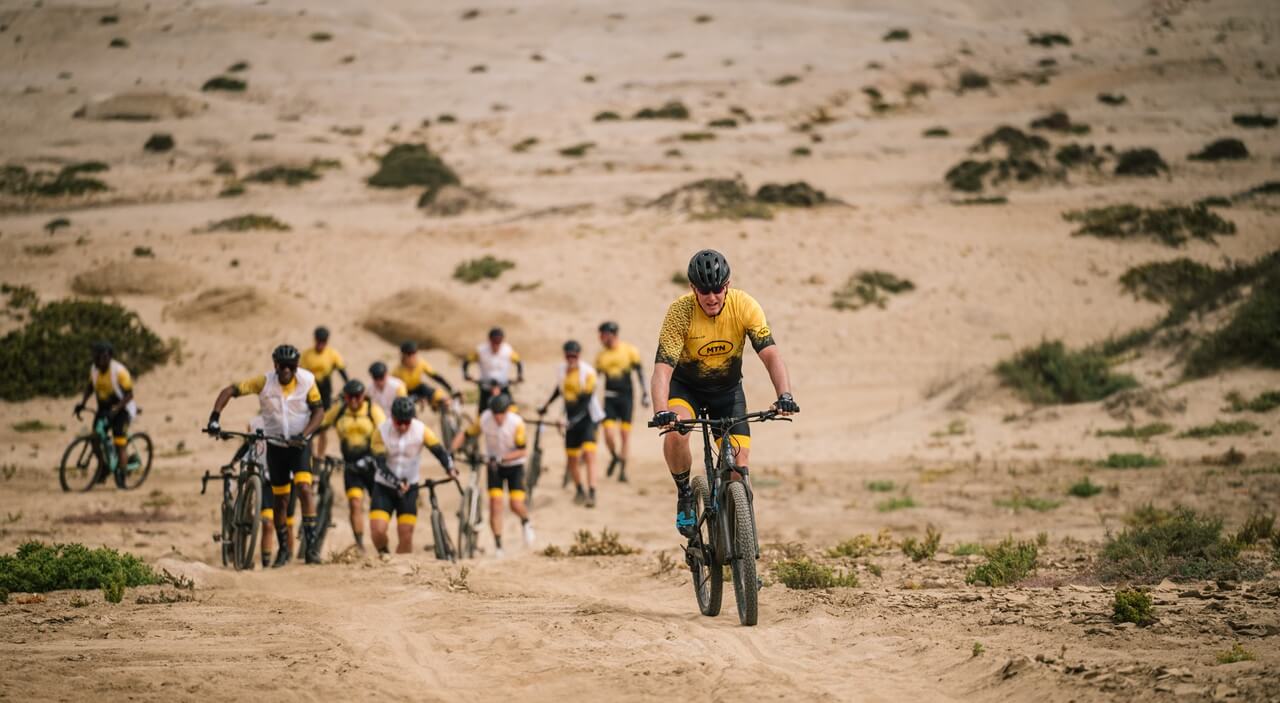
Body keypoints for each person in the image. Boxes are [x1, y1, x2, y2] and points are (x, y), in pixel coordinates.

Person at [650, 250, 799, 536]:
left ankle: (741, 542)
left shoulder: (745, 306)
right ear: (693, 288)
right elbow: (662, 370)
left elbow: (770, 355)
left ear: (727, 284)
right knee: (677, 432)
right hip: (687, 390)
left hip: (727, 392)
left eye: (717, 289)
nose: (711, 297)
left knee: (739, 467)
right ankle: (684, 494)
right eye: (704, 290)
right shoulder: (680, 312)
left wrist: (785, 395)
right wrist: (660, 411)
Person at [207, 344, 325, 566]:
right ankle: (283, 551)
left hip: (299, 445)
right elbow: (230, 390)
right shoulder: (263, 382)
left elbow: (319, 411)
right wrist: (214, 417)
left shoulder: (307, 381)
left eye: (291, 366)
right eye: (282, 366)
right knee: (281, 501)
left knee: (305, 488)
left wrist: (305, 434)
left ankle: (311, 548)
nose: (286, 370)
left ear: (297, 366)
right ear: (275, 365)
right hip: (275, 446)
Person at [370, 397, 456, 555]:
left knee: (406, 534)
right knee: (378, 531)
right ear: (392, 418)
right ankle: (384, 554)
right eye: (399, 423)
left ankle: (399, 568)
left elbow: (439, 450)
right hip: (384, 487)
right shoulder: (381, 431)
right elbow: (380, 465)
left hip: (410, 488)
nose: (403, 426)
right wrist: (396, 482)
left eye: (406, 423)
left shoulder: (421, 430)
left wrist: (450, 467)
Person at [452, 394, 533, 557]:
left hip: (514, 466)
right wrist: (450, 451)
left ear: (506, 411)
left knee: (515, 504)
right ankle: (498, 546)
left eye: (501, 413)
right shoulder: (484, 419)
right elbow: (466, 434)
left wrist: (503, 458)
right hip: (494, 466)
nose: (497, 417)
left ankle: (525, 522)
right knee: (495, 505)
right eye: (495, 413)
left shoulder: (517, 423)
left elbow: (523, 450)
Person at [319, 379, 387, 552]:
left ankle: (381, 545)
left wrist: (380, 457)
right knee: (355, 503)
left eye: (358, 397)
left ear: (363, 396)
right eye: (350, 397)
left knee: (377, 508)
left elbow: (386, 435)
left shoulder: (373, 411)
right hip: (351, 467)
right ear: (346, 397)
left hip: (372, 467)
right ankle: (360, 544)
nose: (354, 401)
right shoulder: (340, 410)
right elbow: (321, 424)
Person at [538, 340, 604, 508]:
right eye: (568, 355)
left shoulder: (588, 372)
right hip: (570, 419)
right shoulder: (561, 371)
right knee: (572, 458)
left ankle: (593, 492)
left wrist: (571, 421)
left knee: (589, 456)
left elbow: (586, 401)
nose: (571, 358)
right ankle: (579, 489)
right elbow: (559, 390)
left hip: (587, 418)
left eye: (574, 355)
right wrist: (546, 405)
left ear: (579, 355)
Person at [594, 321, 649, 483]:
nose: (600, 338)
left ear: (611, 334)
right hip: (609, 398)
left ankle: (623, 470)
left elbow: (640, 373)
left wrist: (645, 393)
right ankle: (614, 457)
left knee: (625, 436)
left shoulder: (629, 351)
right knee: (608, 434)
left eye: (603, 334)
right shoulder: (601, 355)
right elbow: (595, 378)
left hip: (626, 398)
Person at [73, 341, 138, 475]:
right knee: (95, 438)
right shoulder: (94, 370)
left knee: (119, 442)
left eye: (100, 357)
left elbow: (129, 395)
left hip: (122, 409)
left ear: (108, 357)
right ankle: (104, 467)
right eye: (95, 356)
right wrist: (83, 403)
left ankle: (123, 475)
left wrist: (116, 409)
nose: (97, 360)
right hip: (104, 409)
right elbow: (90, 387)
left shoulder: (119, 371)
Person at [301, 326, 348, 461]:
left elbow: (342, 371)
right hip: (310, 393)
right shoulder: (307, 355)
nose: (321, 344)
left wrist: (347, 387)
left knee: (323, 425)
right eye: (319, 341)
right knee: (309, 423)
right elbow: (300, 374)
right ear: (315, 340)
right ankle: (310, 453)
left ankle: (320, 454)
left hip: (325, 393)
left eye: (323, 341)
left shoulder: (332, 354)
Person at [462, 327, 524, 415]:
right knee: (482, 413)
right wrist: (466, 375)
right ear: (489, 341)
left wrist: (519, 375)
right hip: (486, 386)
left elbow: (518, 362)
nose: (496, 345)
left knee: (513, 410)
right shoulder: (481, 351)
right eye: (494, 342)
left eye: (499, 342)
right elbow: (466, 361)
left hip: (503, 385)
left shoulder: (508, 350)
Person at [393, 341, 453, 412]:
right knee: (407, 408)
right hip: (406, 392)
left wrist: (450, 388)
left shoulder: (421, 363)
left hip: (419, 387)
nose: (413, 358)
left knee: (438, 396)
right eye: (409, 355)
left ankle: (441, 407)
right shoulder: (397, 371)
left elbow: (435, 376)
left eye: (414, 354)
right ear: (404, 357)